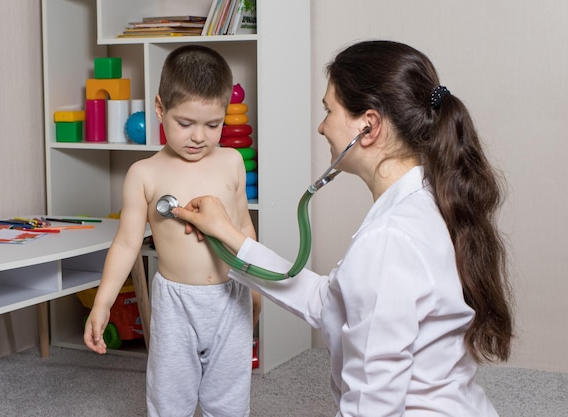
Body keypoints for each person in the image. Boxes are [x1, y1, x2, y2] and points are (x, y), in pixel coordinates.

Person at [172, 40, 513, 416]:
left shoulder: (390, 240)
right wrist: (230, 236)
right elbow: (327, 301)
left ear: (368, 126)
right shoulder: (427, 201)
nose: (321, 127)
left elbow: (372, 405)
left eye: (328, 110)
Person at [83, 44, 261, 417]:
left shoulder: (230, 162)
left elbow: (243, 225)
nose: (199, 137)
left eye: (213, 125)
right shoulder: (145, 174)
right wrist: (103, 303)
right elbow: (127, 243)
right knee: (170, 398)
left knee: (229, 398)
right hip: (176, 303)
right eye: (185, 123)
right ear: (160, 108)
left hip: (232, 297)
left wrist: (256, 285)